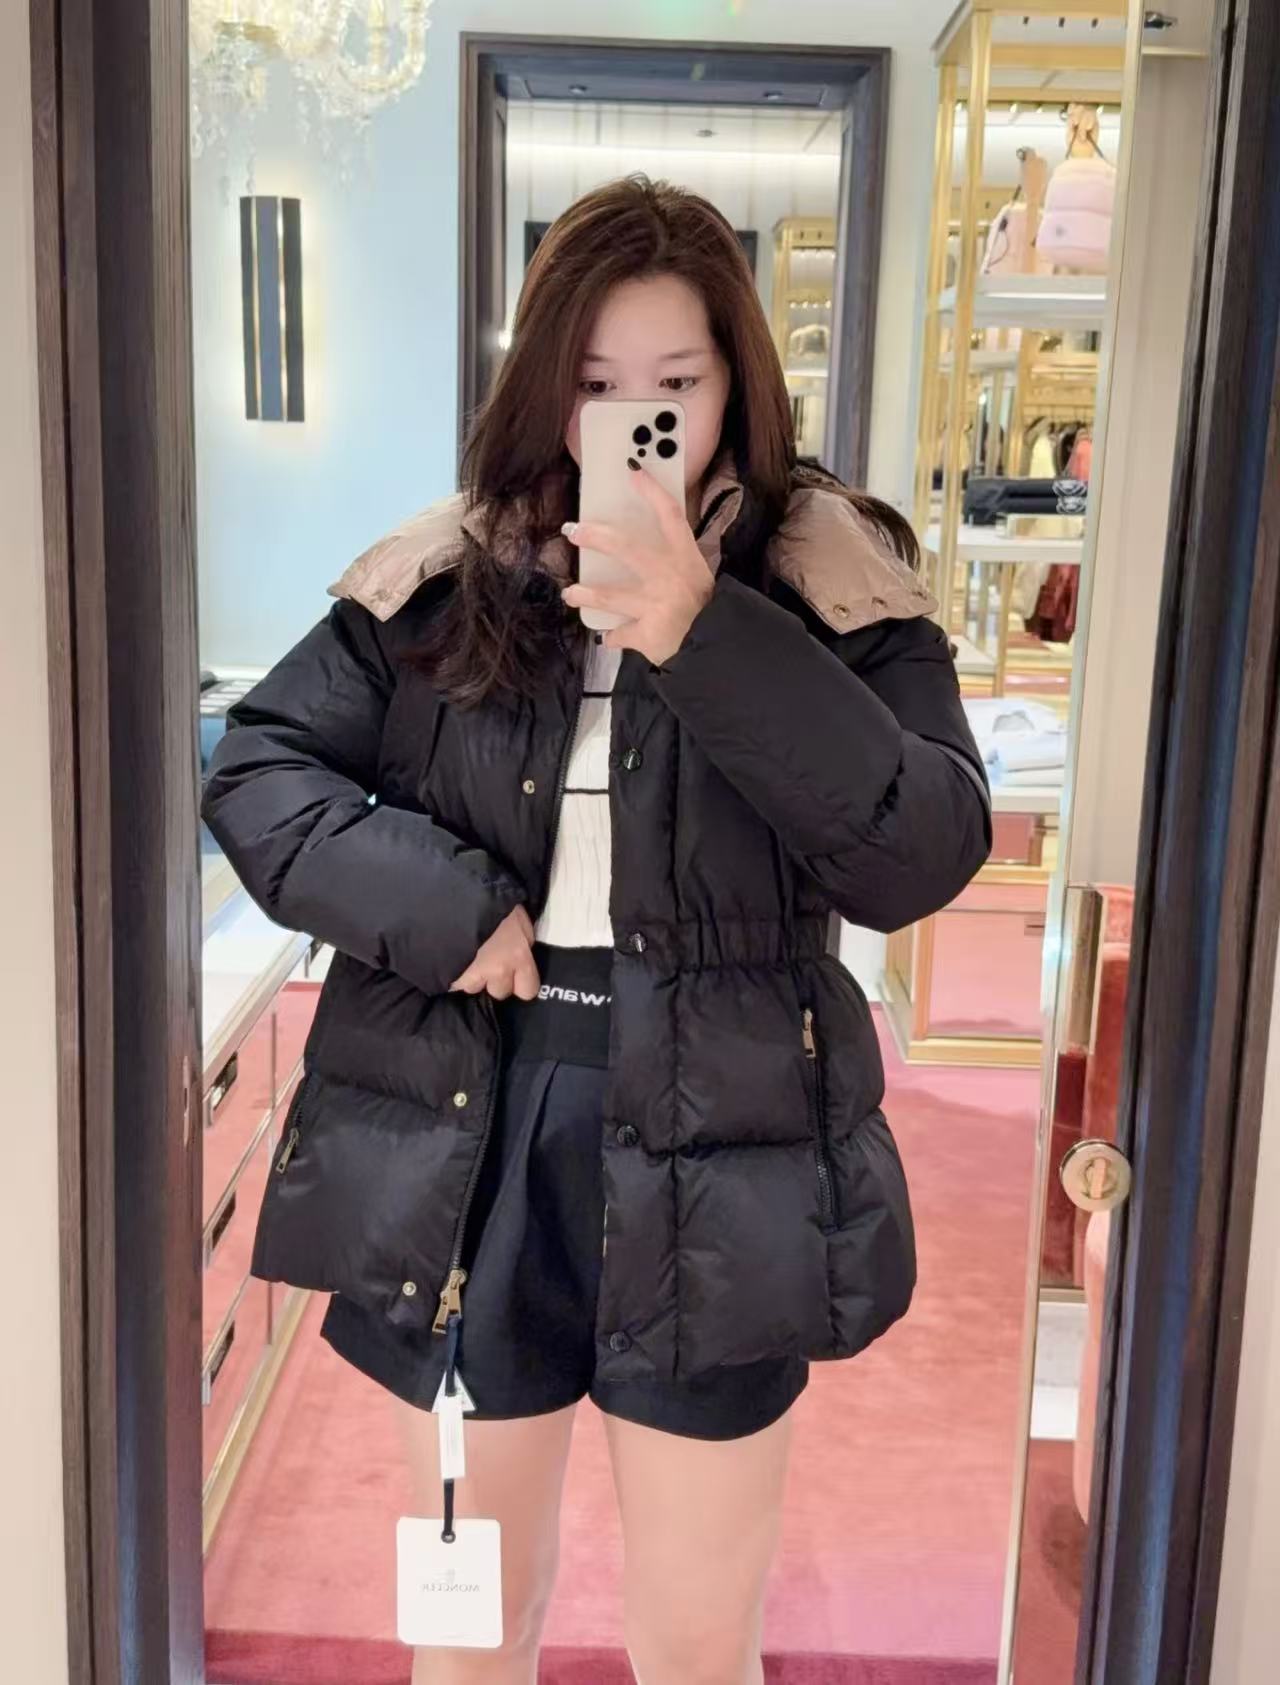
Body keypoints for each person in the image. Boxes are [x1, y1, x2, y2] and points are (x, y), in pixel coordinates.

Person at [201, 174, 992, 1685]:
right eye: (597, 380)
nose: (638, 416)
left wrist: (707, 632)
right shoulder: (454, 570)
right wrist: (447, 906)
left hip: (726, 1128)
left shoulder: (827, 574)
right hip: (475, 1117)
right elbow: (260, 769)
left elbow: (920, 848)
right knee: (468, 1627)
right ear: (545, 384)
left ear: (737, 384)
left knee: (696, 1638)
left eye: (676, 384)